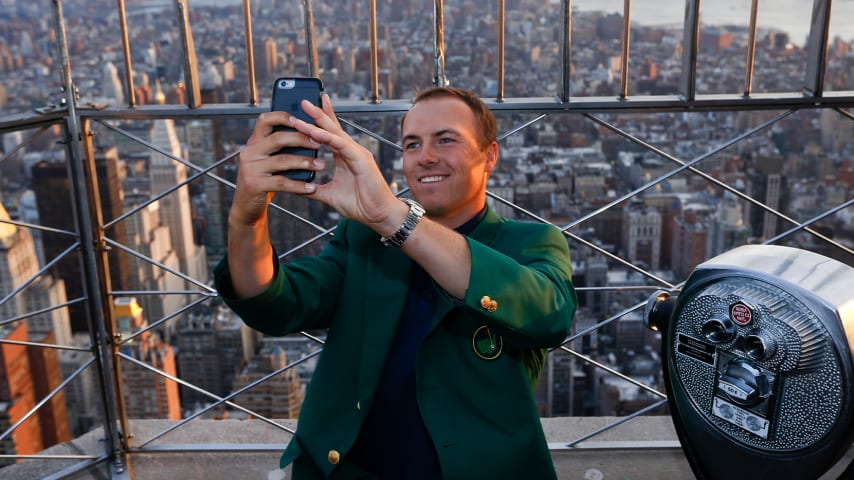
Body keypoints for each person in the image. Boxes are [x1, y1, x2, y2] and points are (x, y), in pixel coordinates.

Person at [214, 86, 577, 479]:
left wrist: (395, 219)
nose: (426, 157)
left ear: (489, 155)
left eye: (446, 139)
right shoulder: (365, 238)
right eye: (411, 145)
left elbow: (549, 315)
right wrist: (246, 219)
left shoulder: (530, 242)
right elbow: (275, 304)